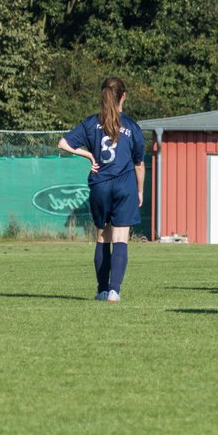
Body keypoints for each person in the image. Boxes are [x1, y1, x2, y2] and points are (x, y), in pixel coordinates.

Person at [57, 77, 146, 302]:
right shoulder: (132, 126)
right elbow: (139, 163)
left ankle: (102, 290)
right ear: (123, 96)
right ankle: (114, 291)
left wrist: (88, 154)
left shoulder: (91, 123)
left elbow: (63, 143)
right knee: (121, 238)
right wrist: (140, 190)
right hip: (124, 185)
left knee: (103, 237)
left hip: (100, 185)